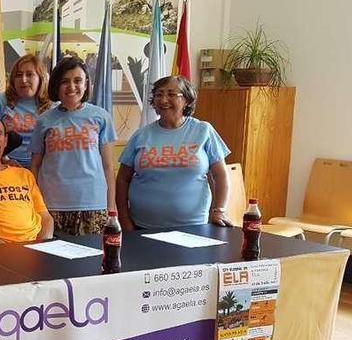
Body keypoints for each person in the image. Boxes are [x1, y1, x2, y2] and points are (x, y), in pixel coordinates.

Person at [116, 75, 233, 230]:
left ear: (187, 100)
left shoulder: (203, 131)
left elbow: (221, 176)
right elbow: (123, 179)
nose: (164, 100)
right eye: (159, 94)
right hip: (142, 227)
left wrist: (219, 210)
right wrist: (124, 219)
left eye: (171, 94)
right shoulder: (141, 135)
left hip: (194, 227)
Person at [30, 57, 116, 236]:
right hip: (51, 205)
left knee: (91, 259)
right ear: (55, 85)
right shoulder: (44, 120)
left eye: (78, 80)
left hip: (93, 204)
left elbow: (108, 167)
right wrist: (34, 203)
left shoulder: (101, 117)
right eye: (65, 81)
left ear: (86, 84)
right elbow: (35, 166)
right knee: (53, 261)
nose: (71, 87)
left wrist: (111, 206)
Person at [0, 54, 53, 167]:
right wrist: (5, 160)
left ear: (40, 78)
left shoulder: (52, 104)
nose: (23, 79)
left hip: (43, 166)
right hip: (7, 165)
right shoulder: (1, 101)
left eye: (29, 74)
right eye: (19, 75)